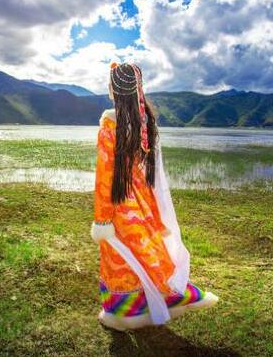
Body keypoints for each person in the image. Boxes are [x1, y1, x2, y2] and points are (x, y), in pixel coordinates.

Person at [91, 62, 219, 331]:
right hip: (144, 204)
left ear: (113, 90)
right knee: (147, 253)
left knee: (120, 259)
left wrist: (102, 221)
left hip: (120, 205)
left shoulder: (109, 128)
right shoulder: (144, 125)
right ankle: (166, 299)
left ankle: (121, 313)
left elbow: (105, 178)